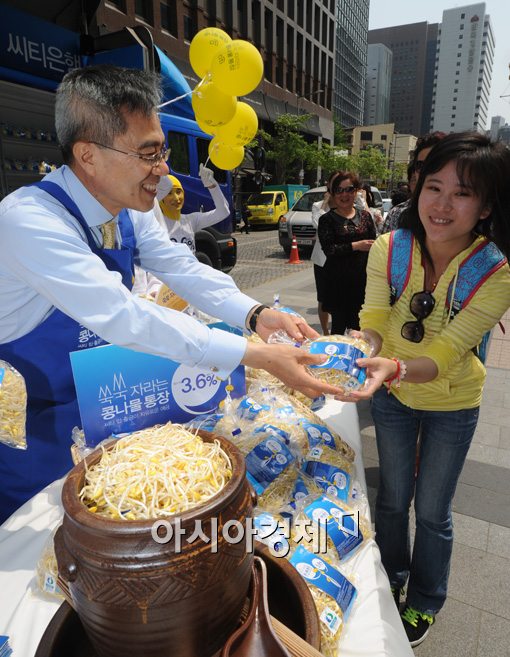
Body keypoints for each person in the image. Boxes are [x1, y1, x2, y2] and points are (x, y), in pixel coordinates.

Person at [0, 65, 344, 523]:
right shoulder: (29, 221)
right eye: (148, 154)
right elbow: (124, 316)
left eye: (161, 151)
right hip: (37, 427)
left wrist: (255, 313)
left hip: (99, 407)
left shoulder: (126, 208)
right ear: (88, 156)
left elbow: (180, 266)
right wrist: (255, 355)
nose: (163, 171)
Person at [335, 132, 510, 647]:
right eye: (434, 188)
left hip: (452, 404)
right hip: (391, 399)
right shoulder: (391, 247)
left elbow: (445, 353)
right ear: (418, 190)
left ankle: (427, 598)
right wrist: (359, 347)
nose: (442, 204)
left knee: (432, 511)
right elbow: (373, 314)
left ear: (484, 207)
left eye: (462, 193)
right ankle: (391, 576)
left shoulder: (495, 272)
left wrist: (392, 367)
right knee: (391, 500)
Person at [133, 166, 230, 297]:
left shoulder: (191, 220)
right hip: (165, 287)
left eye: (179, 191)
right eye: (169, 193)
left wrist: (212, 186)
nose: (176, 198)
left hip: (190, 284)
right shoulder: (155, 223)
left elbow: (223, 212)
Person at [317, 171, 376, 335]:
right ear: (333, 194)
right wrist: (356, 245)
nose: (345, 195)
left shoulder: (365, 216)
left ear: (356, 191)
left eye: (349, 189)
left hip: (362, 282)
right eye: (339, 190)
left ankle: (358, 360)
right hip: (338, 283)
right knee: (338, 327)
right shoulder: (326, 220)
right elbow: (329, 250)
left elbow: (374, 245)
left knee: (359, 329)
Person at [381, 131, 446, 234]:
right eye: (421, 165)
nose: (428, 171)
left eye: (436, 163)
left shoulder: (462, 211)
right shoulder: (398, 213)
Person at [310, 171, 340, 335]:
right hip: (322, 259)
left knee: (341, 296)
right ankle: (325, 332)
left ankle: (339, 328)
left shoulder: (347, 203)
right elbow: (317, 224)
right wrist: (326, 204)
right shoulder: (318, 205)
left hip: (343, 257)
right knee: (323, 298)